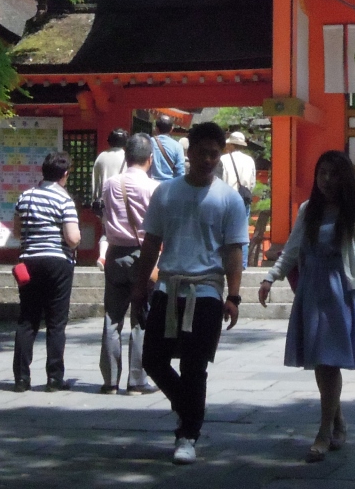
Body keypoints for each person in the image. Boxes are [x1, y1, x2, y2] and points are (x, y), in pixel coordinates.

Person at [259, 150, 355, 463]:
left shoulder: (353, 214)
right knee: (320, 360)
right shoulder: (308, 210)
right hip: (311, 290)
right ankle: (337, 421)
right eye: (322, 173)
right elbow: (291, 249)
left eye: (334, 174)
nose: (326, 180)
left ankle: (324, 431)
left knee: (329, 361)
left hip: (339, 292)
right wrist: (270, 278)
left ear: (345, 178)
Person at [132, 121, 247, 465]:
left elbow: (233, 250)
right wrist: (139, 287)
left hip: (207, 289)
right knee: (153, 359)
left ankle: (187, 434)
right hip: (168, 285)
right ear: (190, 152)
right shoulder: (166, 193)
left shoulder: (228, 198)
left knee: (194, 365)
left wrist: (234, 296)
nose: (208, 159)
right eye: (203, 153)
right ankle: (191, 410)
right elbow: (151, 243)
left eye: (215, 153)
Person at [12, 151, 81, 392]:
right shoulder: (64, 200)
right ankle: (54, 378)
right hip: (57, 263)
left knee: (27, 319)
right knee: (56, 322)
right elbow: (72, 238)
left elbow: (17, 232)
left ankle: (21, 378)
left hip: (29, 262)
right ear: (64, 174)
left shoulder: (26, 196)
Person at [98, 133, 160, 394]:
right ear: (150, 159)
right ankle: (137, 380)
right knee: (141, 317)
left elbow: (104, 215)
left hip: (115, 253)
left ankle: (110, 380)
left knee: (112, 318)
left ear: (126, 156)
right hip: (143, 254)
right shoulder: (154, 188)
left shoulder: (110, 184)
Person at [219, 131, 257, 211]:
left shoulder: (223, 159)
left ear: (231, 145)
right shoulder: (249, 160)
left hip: (227, 200)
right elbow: (252, 183)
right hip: (244, 199)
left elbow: (219, 181)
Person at [92, 128, 130, 204]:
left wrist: (94, 200)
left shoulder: (101, 157)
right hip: (121, 203)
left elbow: (95, 182)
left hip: (103, 203)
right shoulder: (127, 158)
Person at [150, 114, 186, 182]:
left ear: (156, 128)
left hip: (150, 183)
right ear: (171, 129)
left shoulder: (148, 142)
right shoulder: (178, 146)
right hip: (169, 185)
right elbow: (180, 172)